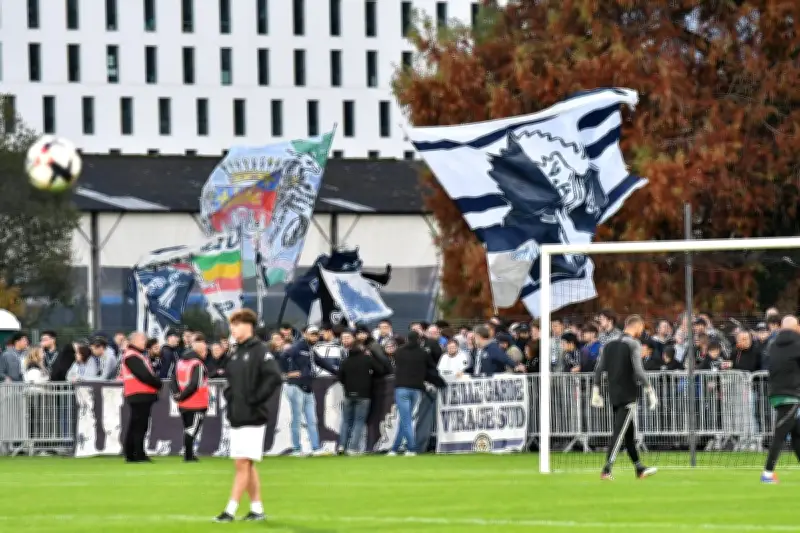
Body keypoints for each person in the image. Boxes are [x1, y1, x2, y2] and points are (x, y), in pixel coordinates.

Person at [214, 309, 282, 523]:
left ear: (248, 326)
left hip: (253, 416)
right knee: (246, 464)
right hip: (237, 414)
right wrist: (231, 397)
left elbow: (274, 377)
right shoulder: (236, 352)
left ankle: (230, 511)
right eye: (232, 325)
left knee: (242, 463)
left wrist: (255, 399)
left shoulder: (260, 350)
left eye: (236, 325)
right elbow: (231, 381)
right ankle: (257, 509)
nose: (232, 329)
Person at [591, 315, 658, 480]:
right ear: (637, 327)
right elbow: (638, 370)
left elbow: (599, 368)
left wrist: (596, 389)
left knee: (629, 433)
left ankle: (639, 468)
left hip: (613, 392)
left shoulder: (608, 344)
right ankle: (607, 469)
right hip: (628, 393)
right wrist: (650, 389)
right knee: (620, 432)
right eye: (641, 329)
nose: (641, 333)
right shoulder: (633, 344)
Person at [281, 325, 338, 457]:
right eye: (312, 334)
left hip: (307, 387)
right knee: (297, 419)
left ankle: (315, 448)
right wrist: (287, 373)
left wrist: (339, 373)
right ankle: (296, 449)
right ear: (305, 334)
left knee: (312, 420)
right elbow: (282, 357)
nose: (315, 337)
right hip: (295, 386)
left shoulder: (310, 349)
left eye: (316, 334)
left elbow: (322, 363)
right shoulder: (298, 347)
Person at [388, 331, 445, 456]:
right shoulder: (423, 353)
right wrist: (440, 382)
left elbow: (395, 364)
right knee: (405, 419)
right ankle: (395, 448)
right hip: (416, 389)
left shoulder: (399, 352)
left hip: (401, 387)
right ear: (419, 339)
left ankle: (411, 448)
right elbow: (431, 369)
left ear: (407, 339)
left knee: (405, 419)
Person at [761, 315, 800, 484]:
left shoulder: (772, 344)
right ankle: (768, 473)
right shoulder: (798, 344)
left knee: (797, 433)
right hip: (791, 394)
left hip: (776, 392)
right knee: (780, 434)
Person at [337, 345, 389, 455]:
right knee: (358, 422)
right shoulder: (367, 360)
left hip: (348, 395)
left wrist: (347, 385)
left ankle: (341, 445)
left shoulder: (345, 361)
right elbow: (381, 370)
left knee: (346, 421)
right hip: (364, 395)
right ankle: (352, 448)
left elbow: (340, 377)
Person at [120, 332, 163, 463]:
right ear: (134, 341)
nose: (145, 341)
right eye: (142, 339)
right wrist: (158, 383)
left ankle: (131, 453)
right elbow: (144, 375)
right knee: (139, 425)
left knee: (136, 424)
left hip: (138, 394)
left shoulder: (135, 355)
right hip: (139, 394)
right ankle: (137, 453)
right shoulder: (132, 356)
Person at [170, 333, 210, 463]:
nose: (206, 353)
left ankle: (189, 454)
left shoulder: (180, 362)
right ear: (201, 351)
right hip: (197, 403)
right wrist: (181, 396)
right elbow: (195, 384)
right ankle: (188, 455)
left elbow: (173, 380)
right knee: (192, 431)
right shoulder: (197, 364)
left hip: (183, 404)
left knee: (188, 429)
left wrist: (177, 395)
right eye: (205, 350)